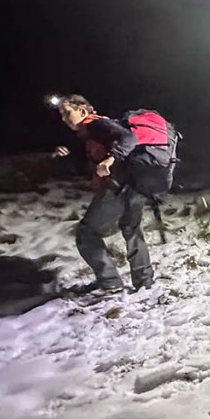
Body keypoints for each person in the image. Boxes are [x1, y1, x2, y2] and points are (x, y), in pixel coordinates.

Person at [55, 94, 155, 294]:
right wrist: (69, 156)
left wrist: (110, 160)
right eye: (62, 115)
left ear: (82, 111)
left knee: (86, 234)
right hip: (135, 184)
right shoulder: (92, 131)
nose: (64, 119)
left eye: (67, 113)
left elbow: (129, 138)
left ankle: (110, 282)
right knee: (131, 228)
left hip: (116, 187)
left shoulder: (95, 125)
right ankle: (144, 281)